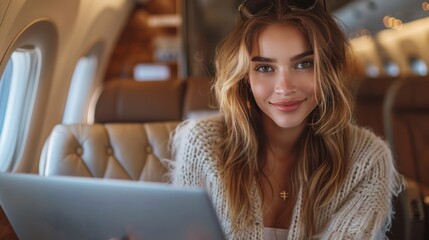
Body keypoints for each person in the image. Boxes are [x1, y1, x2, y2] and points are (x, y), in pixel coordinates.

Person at [170, 0, 403, 239]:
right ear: (244, 77)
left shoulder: (367, 159)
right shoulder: (202, 144)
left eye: (304, 64)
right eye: (264, 68)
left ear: (328, 71)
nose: (284, 87)